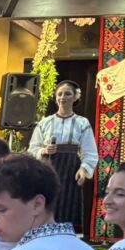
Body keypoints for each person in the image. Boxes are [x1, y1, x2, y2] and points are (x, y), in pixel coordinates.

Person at [28, 80, 97, 234]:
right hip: (48, 168)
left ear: (75, 97)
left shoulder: (82, 122)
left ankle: (66, 237)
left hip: (70, 168)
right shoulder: (45, 122)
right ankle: (43, 234)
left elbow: (90, 151)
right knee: (47, 200)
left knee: (68, 203)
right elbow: (32, 149)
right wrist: (44, 150)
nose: (62, 97)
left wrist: (83, 169)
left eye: (67, 94)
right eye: (59, 94)